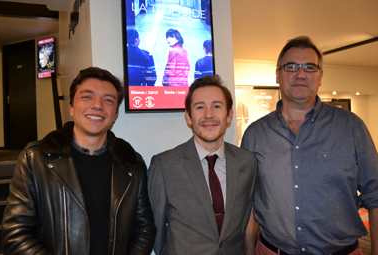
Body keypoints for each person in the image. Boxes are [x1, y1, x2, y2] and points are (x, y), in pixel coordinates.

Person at [241, 36, 378, 255]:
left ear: (320, 76)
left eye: (310, 67)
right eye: (291, 66)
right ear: (278, 74)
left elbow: (375, 193)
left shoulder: (352, 127)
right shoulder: (255, 135)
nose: (301, 74)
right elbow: (246, 204)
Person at [2, 67, 156, 255]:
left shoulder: (132, 164)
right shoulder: (35, 159)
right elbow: (15, 235)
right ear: (71, 108)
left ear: (115, 115)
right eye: (87, 96)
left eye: (108, 100)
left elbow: (144, 230)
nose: (97, 105)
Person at [148, 74, 258, 254]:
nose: (209, 115)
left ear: (229, 115)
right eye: (200, 107)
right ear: (188, 117)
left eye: (217, 106)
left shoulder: (247, 162)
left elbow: (246, 219)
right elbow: (157, 230)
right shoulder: (163, 166)